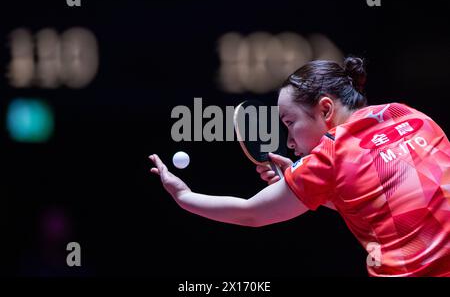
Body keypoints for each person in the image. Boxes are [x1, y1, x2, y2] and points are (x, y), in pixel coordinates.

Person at [149, 57, 450, 277]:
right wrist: (301, 181)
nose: (290, 142)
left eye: (290, 123)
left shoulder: (330, 155)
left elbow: (251, 213)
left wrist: (184, 196)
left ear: (325, 109)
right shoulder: (408, 115)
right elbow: (378, 199)